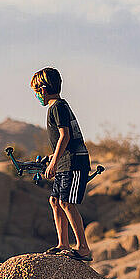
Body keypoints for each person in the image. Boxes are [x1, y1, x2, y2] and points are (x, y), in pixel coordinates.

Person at [30, 67, 92, 261]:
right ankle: (63, 244)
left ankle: (82, 248)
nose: (36, 96)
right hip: (66, 161)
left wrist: (54, 163)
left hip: (74, 162)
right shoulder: (58, 107)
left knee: (66, 202)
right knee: (55, 201)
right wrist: (53, 157)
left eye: (36, 91)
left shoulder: (57, 107)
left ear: (43, 90)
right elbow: (63, 140)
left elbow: (65, 135)